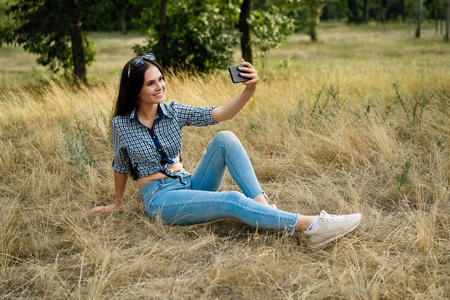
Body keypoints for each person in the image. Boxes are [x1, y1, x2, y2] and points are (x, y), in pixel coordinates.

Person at [90, 53, 362, 247]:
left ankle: (265, 210)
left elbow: (220, 114)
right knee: (230, 200)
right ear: (135, 89)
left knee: (225, 137)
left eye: (160, 79)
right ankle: (313, 226)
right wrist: (117, 202)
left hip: (189, 183)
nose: (160, 86)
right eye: (151, 83)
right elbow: (121, 164)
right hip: (161, 199)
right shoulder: (121, 125)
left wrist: (249, 91)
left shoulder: (172, 111)